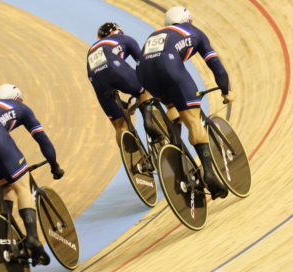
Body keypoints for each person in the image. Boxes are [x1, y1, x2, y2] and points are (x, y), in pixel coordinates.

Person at [136, 6, 235, 200]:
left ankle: (177, 155)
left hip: (143, 74)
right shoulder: (195, 32)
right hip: (170, 67)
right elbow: (216, 66)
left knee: (173, 106)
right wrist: (225, 90)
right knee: (193, 121)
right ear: (188, 20)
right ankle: (209, 174)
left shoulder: (155, 34)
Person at [0, 84, 65, 265]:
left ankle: (6, 241)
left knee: (6, 184)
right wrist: (54, 165)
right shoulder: (20, 107)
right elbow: (42, 139)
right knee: (23, 186)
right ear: (16, 97)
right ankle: (32, 238)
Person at [87, 22, 163, 147]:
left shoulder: (92, 49)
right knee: (143, 92)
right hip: (114, 67)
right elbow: (142, 63)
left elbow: (95, 76)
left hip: (96, 79)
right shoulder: (124, 39)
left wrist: (122, 104)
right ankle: (148, 124)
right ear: (117, 32)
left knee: (119, 126)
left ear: (100, 38)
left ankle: (133, 162)